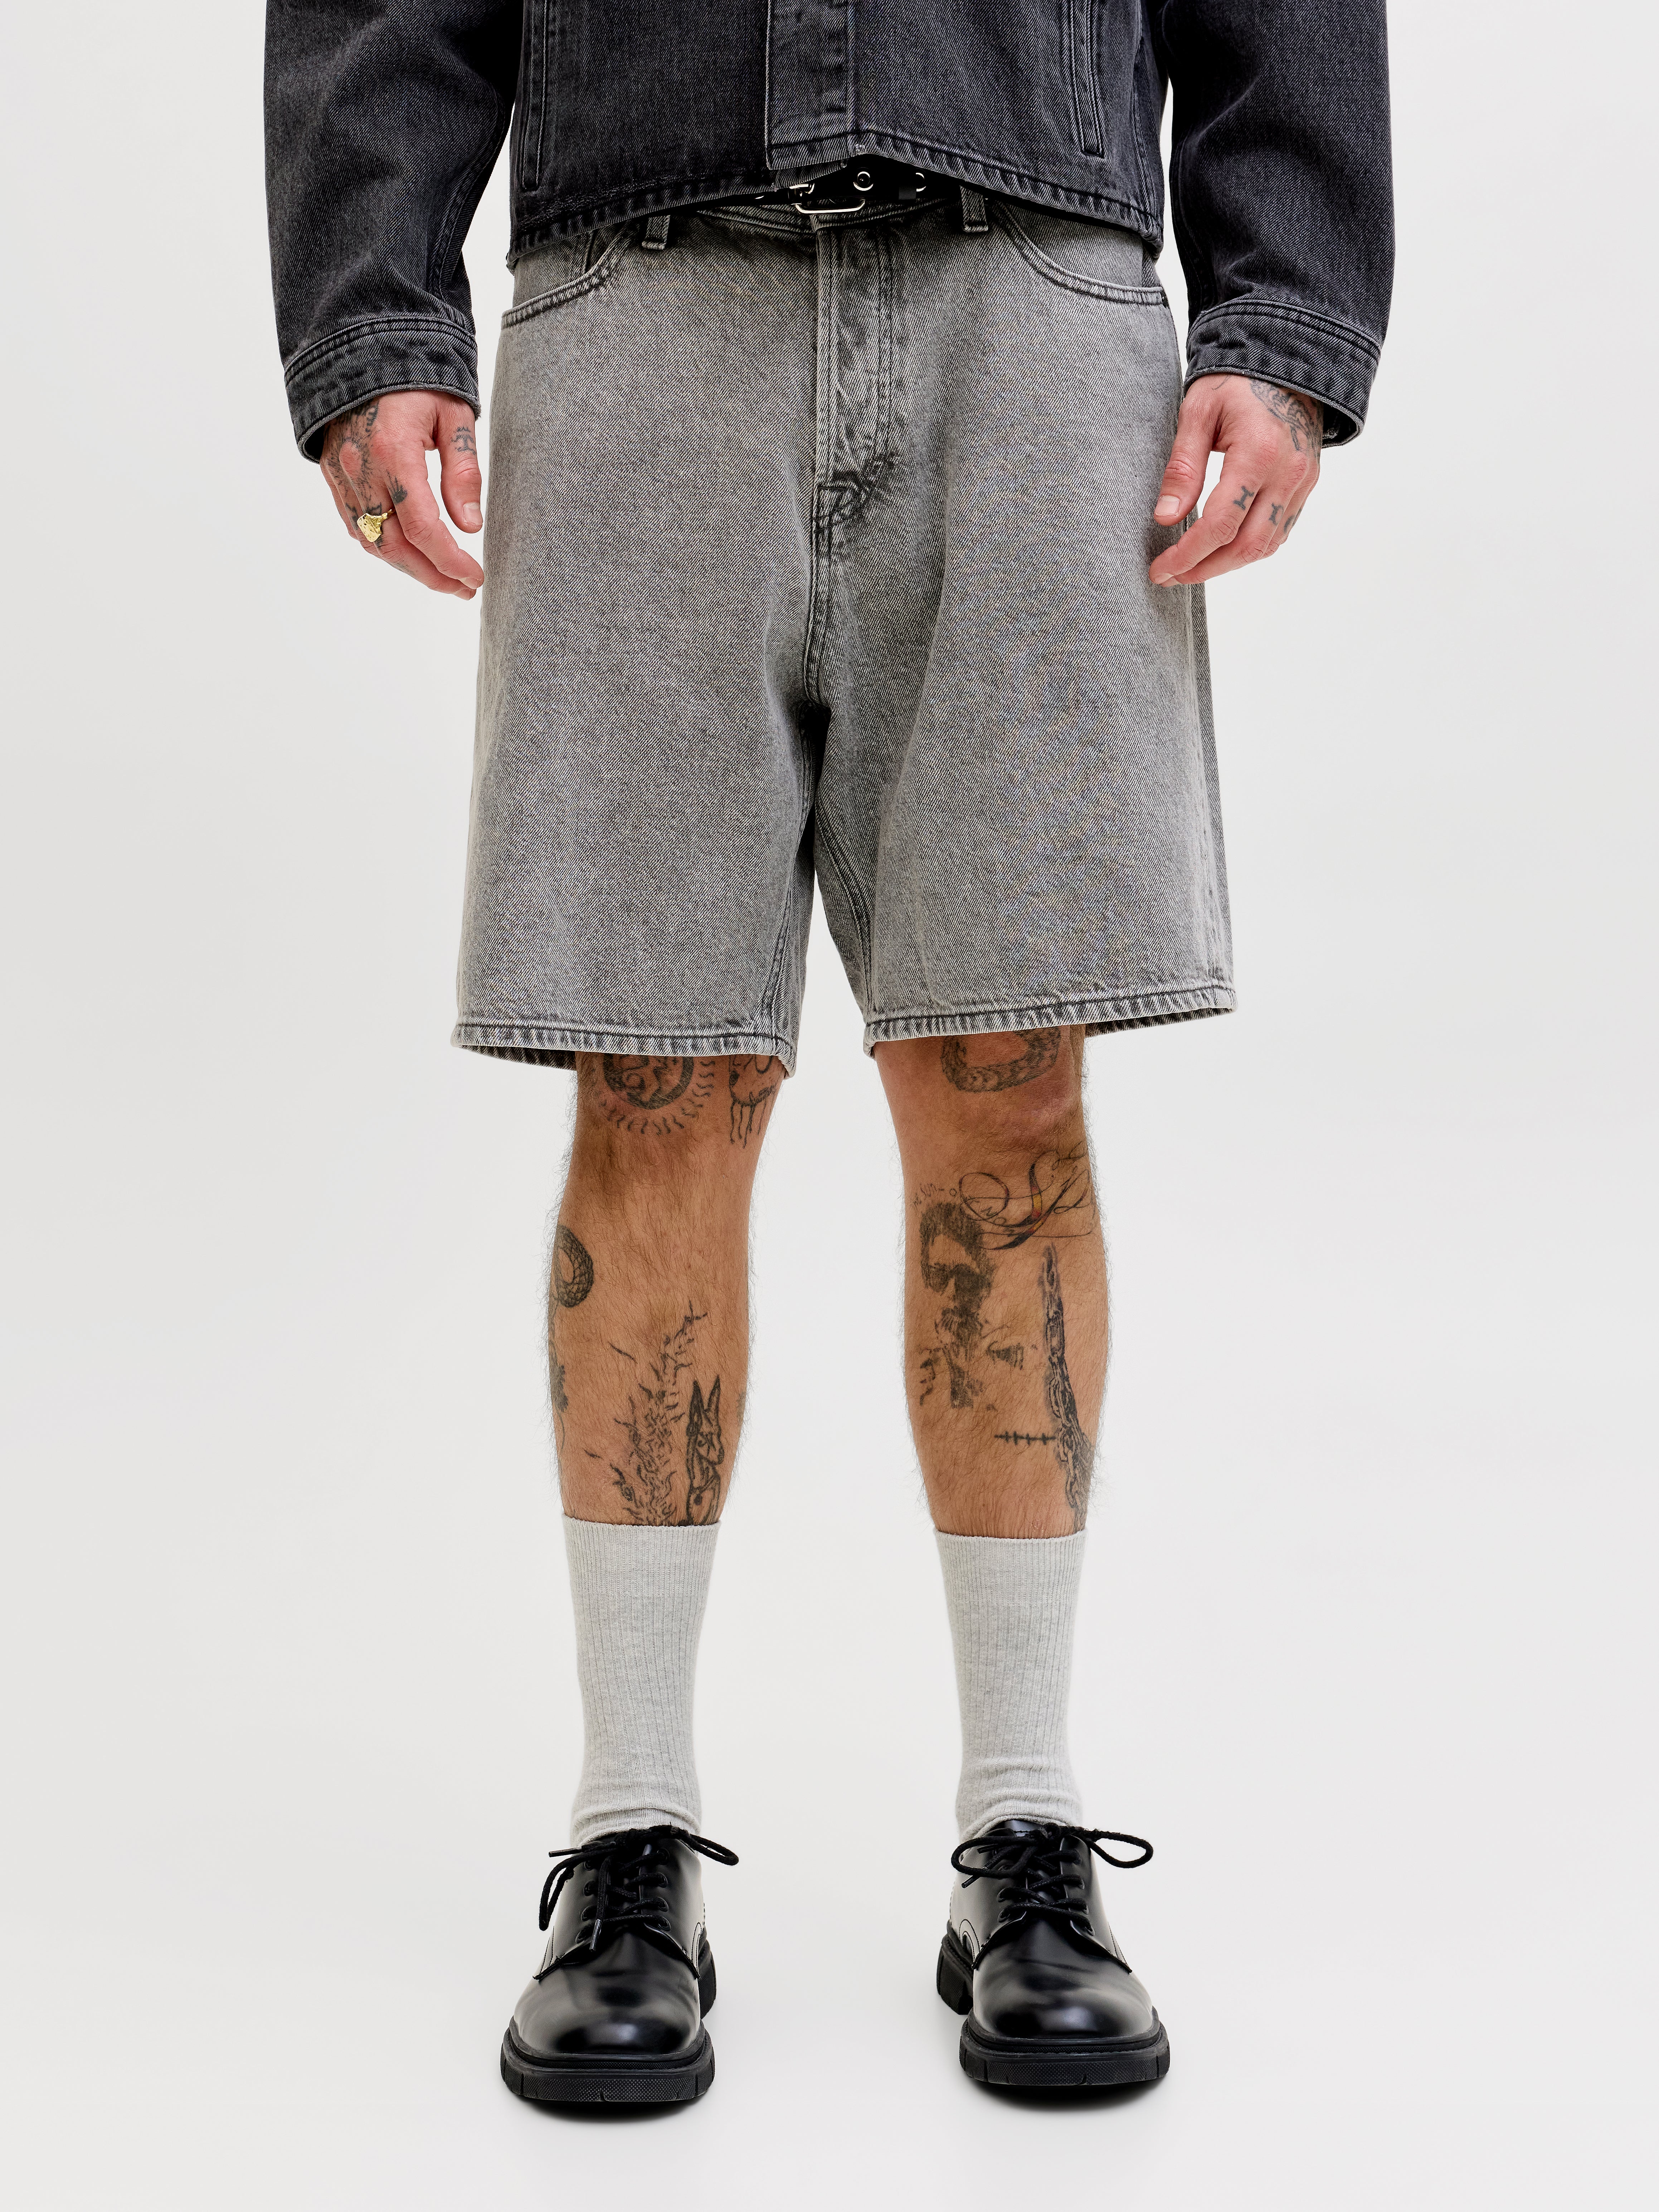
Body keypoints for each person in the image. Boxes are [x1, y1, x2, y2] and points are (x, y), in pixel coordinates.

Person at [266, 1, 1392, 2104]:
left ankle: (1026, 1825)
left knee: (1008, 1080)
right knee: (657, 1073)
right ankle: (628, 1830)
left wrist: (1288, 303)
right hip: (639, 293)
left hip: (1036, 297)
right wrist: (371, 313)